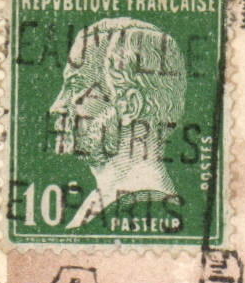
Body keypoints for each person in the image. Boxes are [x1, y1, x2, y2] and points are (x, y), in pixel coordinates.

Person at [47, 17, 186, 231]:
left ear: (129, 107)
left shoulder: (141, 209)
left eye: (75, 87)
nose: (56, 107)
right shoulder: (100, 204)